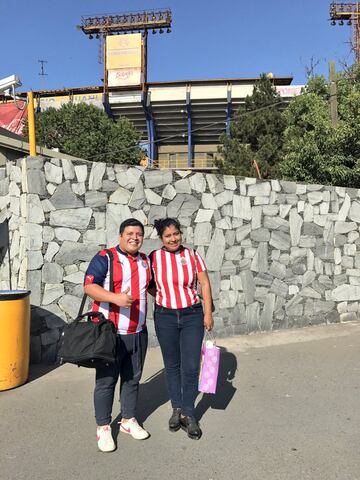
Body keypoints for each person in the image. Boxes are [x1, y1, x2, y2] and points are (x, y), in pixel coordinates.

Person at [84, 218, 151, 452]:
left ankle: (128, 420)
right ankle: (103, 427)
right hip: (111, 333)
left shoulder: (145, 261)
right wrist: (115, 298)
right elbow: (89, 286)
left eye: (139, 234)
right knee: (106, 382)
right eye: (130, 233)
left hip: (138, 331)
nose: (135, 237)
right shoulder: (106, 257)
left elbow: (151, 287)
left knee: (133, 378)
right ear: (121, 236)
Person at [149, 218, 214, 440]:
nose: (173, 238)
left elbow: (204, 283)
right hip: (165, 316)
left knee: (191, 364)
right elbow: (150, 285)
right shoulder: (154, 259)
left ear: (181, 234)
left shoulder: (193, 255)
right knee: (172, 364)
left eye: (176, 234)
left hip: (191, 316)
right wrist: (163, 298)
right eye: (168, 236)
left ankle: (189, 412)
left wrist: (207, 313)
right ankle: (176, 408)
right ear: (161, 239)